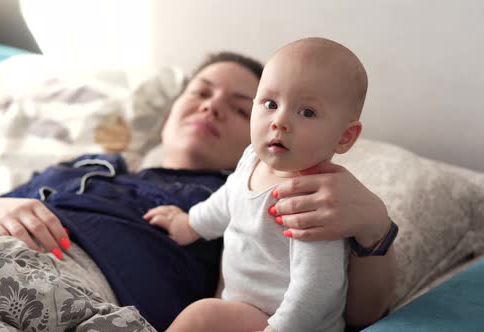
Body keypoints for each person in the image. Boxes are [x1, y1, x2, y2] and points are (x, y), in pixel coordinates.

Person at [0, 48, 396, 331]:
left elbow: (354, 310)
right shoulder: (92, 166)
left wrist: (374, 226)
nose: (211, 106)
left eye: (238, 106)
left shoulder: (256, 196)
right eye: (201, 92)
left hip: (71, 288)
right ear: (171, 109)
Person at [153, 37, 369, 332]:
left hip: (289, 322)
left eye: (307, 112)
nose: (279, 121)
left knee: (202, 317)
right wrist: (190, 224)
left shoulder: (313, 199)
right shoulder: (252, 158)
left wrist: (278, 329)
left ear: (344, 137)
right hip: (241, 308)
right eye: (270, 103)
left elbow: (318, 288)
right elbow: (228, 199)